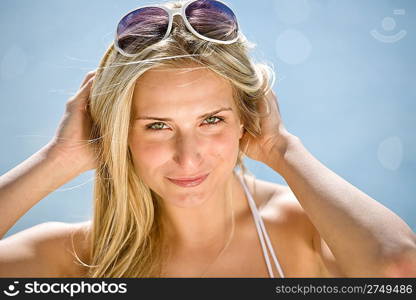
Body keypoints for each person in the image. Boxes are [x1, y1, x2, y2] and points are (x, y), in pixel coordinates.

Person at [0, 0, 415, 278]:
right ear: (116, 131)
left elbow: (398, 268)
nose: (188, 157)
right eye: (157, 125)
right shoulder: (77, 259)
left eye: (211, 120)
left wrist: (282, 149)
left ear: (245, 119)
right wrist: (59, 157)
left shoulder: (304, 229)